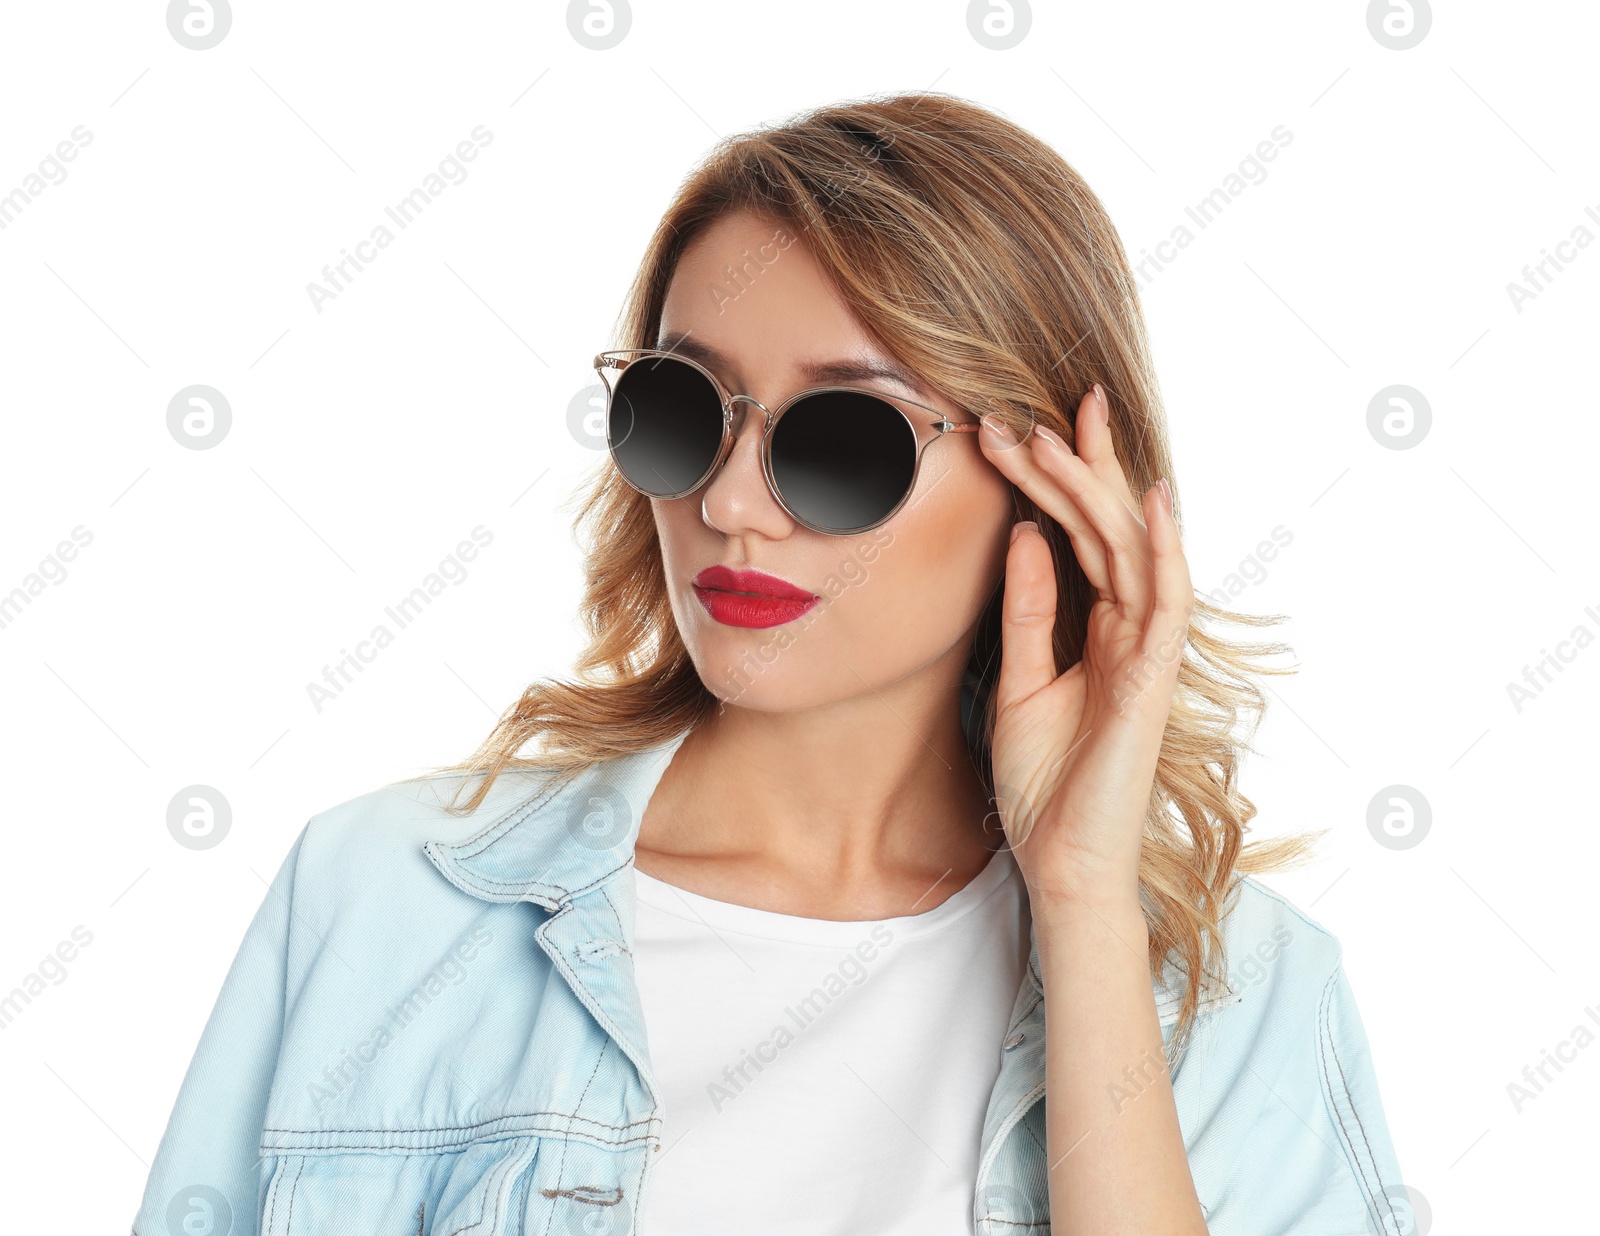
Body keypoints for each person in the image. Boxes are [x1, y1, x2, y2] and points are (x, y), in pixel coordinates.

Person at [133, 90, 1410, 1236]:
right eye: (682, 410)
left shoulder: (1244, 999)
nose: (734, 502)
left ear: (1053, 491)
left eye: (841, 437)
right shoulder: (383, 907)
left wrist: (1081, 909)